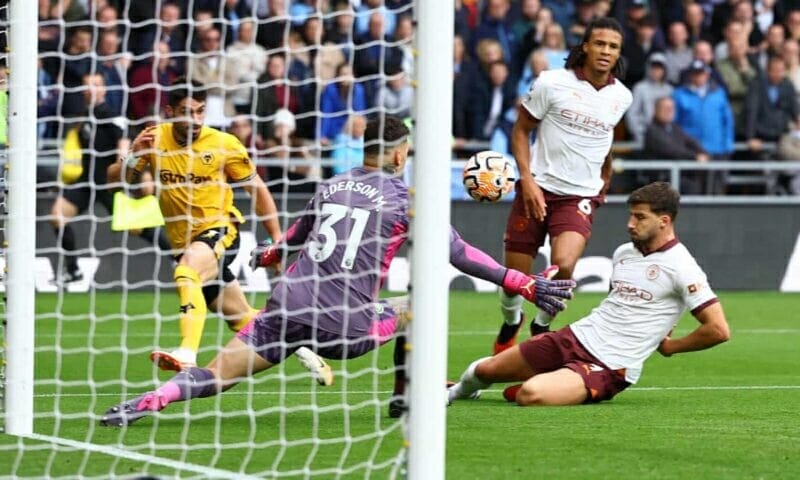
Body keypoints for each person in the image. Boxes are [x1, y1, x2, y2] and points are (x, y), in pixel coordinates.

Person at [99, 116, 576, 427]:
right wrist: (524, 282)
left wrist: (268, 255)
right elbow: (459, 254)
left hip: (285, 310)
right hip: (346, 326)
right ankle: (403, 397)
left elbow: (295, 238)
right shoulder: (407, 201)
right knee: (417, 307)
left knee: (217, 374)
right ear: (397, 154)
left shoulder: (331, 184)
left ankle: (148, 401)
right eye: (406, 151)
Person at [449, 182, 731, 407]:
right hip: (576, 337)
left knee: (530, 395)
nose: (631, 224)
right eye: (631, 215)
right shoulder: (624, 253)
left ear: (664, 221)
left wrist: (672, 347)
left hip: (610, 365)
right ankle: (454, 394)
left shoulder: (682, 267)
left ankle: (549, 382)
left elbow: (718, 329)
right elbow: (616, 302)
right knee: (484, 371)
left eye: (640, 217)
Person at [120, 76, 283, 372]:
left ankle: (186, 353)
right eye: (186, 112)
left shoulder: (224, 144)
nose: (195, 119)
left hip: (221, 230)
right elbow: (120, 181)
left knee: (186, 270)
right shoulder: (154, 138)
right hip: (182, 238)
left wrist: (277, 241)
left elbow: (258, 189)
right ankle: (303, 347)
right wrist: (133, 156)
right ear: (170, 111)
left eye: (200, 111)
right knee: (240, 317)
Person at [491, 17, 632, 355]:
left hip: (580, 195)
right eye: (600, 43)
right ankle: (512, 321)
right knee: (514, 280)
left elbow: (604, 137)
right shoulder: (551, 82)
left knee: (564, 266)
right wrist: (526, 180)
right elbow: (521, 130)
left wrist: (605, 175)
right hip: (536, 188)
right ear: (585, 45)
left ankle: (541, 324)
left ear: (618, 54)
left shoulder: (621, 96)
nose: (605, 51)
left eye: (613, 47)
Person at [50, 73, 170, 284]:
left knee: (136, 228)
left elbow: (125, 147)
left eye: (96, 85)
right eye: (87, 86)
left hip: (108, 185)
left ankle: (178, 257)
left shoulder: (112, 116)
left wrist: (142, 174)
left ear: (104, 89)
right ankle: (73, 270)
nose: (90, 89)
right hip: (87, 183)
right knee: (57, 215)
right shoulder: (83, 118)